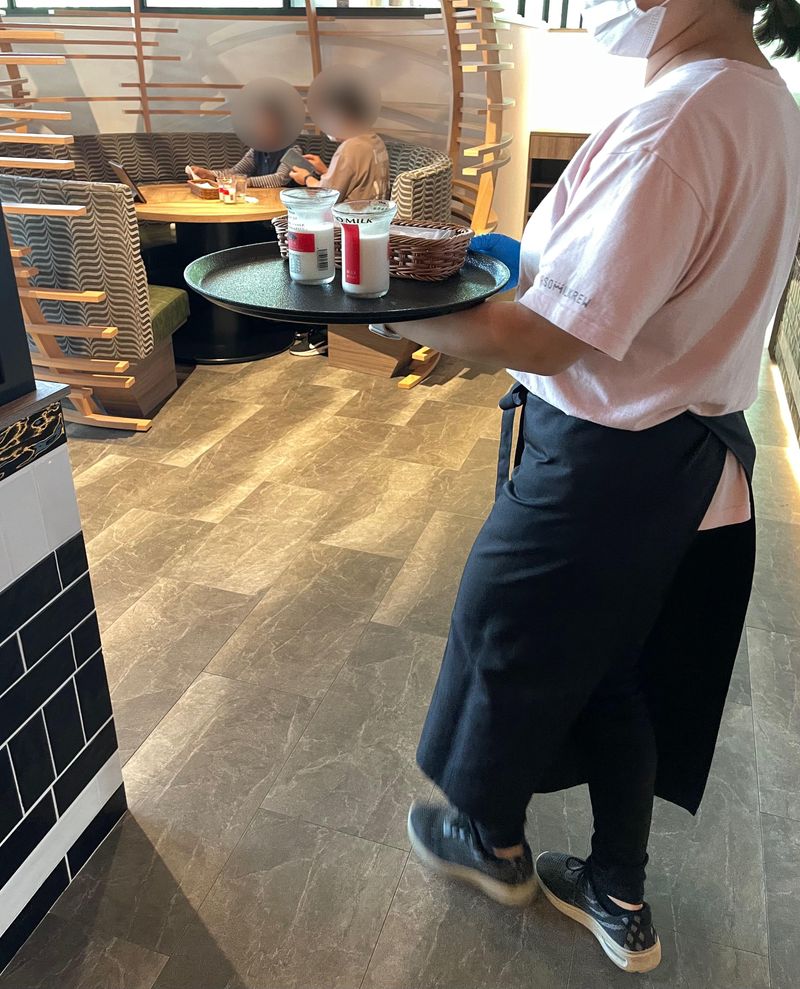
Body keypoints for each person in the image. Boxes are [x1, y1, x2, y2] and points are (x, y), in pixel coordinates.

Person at [385, 0, 800, 975]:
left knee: (504, 636)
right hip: (686, 457)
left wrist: (384, 309)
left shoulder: (678, 117)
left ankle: (490, 842)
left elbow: (543, 338)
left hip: (609, 460)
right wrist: (519, 268)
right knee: (614, 668)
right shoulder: (765, 101)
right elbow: (647, 282)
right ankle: (616, 889)